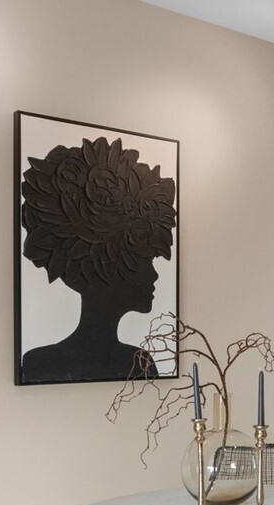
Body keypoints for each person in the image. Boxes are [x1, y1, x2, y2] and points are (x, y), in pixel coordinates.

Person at [19, 134, 176, 383]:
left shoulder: (138, 362)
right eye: (148, 261)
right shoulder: (135, 363)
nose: (155, 275)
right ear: (110, 267)